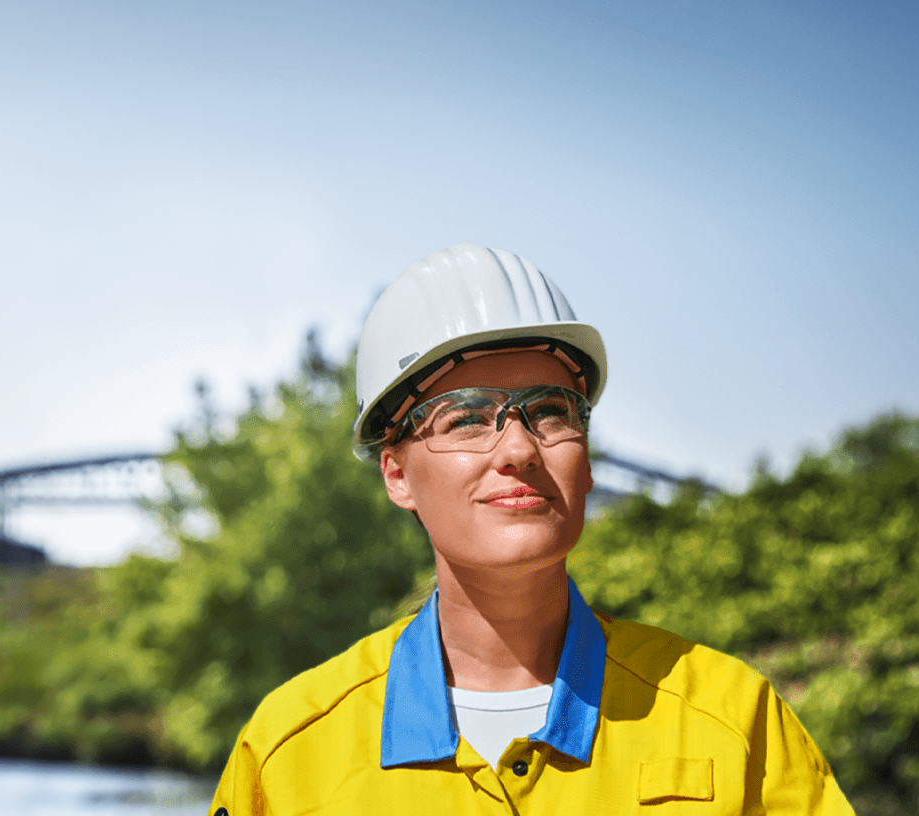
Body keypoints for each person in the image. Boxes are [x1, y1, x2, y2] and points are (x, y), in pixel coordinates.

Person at [207, 244, 853, 814]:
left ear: (588, 461)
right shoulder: (287, 759)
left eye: (548, 410)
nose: (517, 447)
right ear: (397, 475)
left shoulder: (734, 723)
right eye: (464, 418)